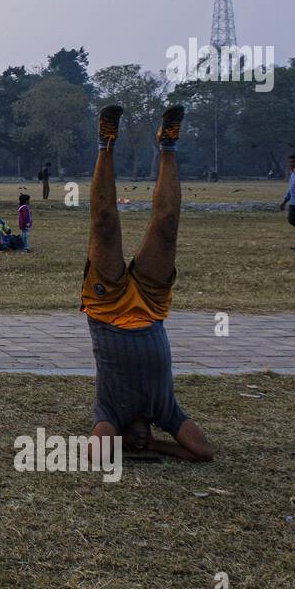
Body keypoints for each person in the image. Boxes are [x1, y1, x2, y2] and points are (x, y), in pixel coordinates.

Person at [83, 104, 214, 463]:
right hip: (152, 307)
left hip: (106, 308)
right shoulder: (166, 411)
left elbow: (96, 455)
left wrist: (125, 444)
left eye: (133, 441)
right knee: (168, 224)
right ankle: (168, 145)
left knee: (105, 223)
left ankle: (105, 142)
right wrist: (156, 444)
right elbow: (203, 452)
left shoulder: (109, 412)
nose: (140, 439)